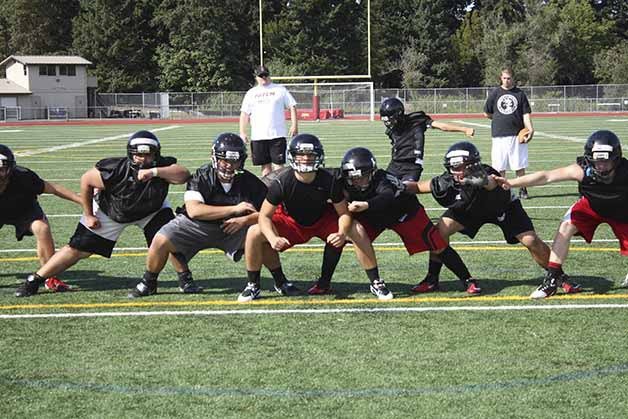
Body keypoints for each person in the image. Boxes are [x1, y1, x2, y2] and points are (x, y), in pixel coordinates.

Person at [15, 130, 190, 297]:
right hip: (112, 211)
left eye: (148, 155)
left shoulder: (163, 166)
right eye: (139, 155)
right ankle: (35, 279)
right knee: (78, 249)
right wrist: (89, 214)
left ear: (156, 154)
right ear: (130, 154)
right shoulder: (115, 168)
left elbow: (183, 175)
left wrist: (154, 172)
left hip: (152, 210)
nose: (143, 159)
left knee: (169, 239)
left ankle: (185, 279)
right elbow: (86, 180)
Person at [405, 141, 580, 295]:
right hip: (470, 211)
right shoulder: (447, 180)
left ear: (473, 164)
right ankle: (432, 279)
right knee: (439, 232)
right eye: (453, 168)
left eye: (460, 167)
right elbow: (419, 187)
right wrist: (400, 185)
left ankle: (558, 276)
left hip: (503, 208)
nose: (456, 172)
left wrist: (481, 180)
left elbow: (491, 181)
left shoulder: (487, 173)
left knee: (530, 240)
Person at [239, 134, 393, 302]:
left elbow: (343, 213)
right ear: (293, 156)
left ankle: (376, 282)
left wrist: (341, 233)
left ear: (318, 156)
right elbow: (264, 216)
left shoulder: (329, 180)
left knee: (356, 229)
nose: (306, 159)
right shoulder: (282, 181)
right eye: (301, 154)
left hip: (322, 221)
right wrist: (272, 237)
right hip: (292, 222)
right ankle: (254, 284)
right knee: (254, 232)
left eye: (310, 155)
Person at [128, 133, 270, 298]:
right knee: (160, 239)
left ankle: (279, 280)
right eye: (225, 160)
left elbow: (269, 212)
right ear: (215, 158)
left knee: (261, 233)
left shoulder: (250, 181)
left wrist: (245, 219)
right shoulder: (202, 175)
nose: (229, 166)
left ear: (241, 160)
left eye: (234, 161)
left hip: (234, 227)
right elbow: (195, 211)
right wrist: (234, 209)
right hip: (197, 226)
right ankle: (149, 282)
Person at [495, 130, 627, 298]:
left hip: (623, 211)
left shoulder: (625, 171)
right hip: (591, 206)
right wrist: (511, 182)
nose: (600, 166)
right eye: (596, 161)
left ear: (616, 158)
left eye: (605, 161)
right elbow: (546, 176)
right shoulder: (581, 170)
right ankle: (551, 280)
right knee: (565, 226)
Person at [335, 146, 478, 294]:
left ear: (372, 172)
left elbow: (387, 196)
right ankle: (341, 282)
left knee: (436, 244)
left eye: (362, 177)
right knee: (344, 238)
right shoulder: (341, 178)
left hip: (403, 212)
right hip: (373, 215)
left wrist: (366, 204)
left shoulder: (382, 178)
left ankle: (467, 279)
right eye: (353, 178)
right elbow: (326, 177)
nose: (358, 182)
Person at [0, 144, 82, 292]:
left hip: (23, 209)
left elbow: (53, 189)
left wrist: (82, 201)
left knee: (41, 228)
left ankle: (50, 277)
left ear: (10, 169)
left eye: (1, 170)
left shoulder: (23, 177)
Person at [379, 97, 475, 183]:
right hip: (395, 165)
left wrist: (464, 129)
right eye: (386, 121)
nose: (388, 123)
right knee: (384, 190)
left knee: (405, 191)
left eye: (390, 120)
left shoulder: (416, 120)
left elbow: (442, 126)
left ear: (399, 114)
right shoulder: (391, 131)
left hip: (412, 166)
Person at [484, 67, 534, 199]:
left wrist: (530, 128)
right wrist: (499, 120)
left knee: (519, 165)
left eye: (509, 78)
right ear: (501, 78)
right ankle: (502, 191)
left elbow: (526, 114)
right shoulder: (495, 93)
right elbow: (487, 112)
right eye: (504, 78)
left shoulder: (519, 94)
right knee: (499, 166)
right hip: (499, 135)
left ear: (513, 78)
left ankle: (523, 189)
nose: (506, 80)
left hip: (517, 135)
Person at [239, 65, 298, 177]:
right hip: (258, 135)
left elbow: (292, 106)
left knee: (279, 167)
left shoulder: (280, 89)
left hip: (277, 134)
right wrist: (242, 132)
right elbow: (244, 113)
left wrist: (294, 125)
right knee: (265, 169)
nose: (264, 78)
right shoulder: (251, 93)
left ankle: (281, 192)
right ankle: (268, 192)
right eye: (261, 76)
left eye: (265, 75)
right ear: (256, 77)